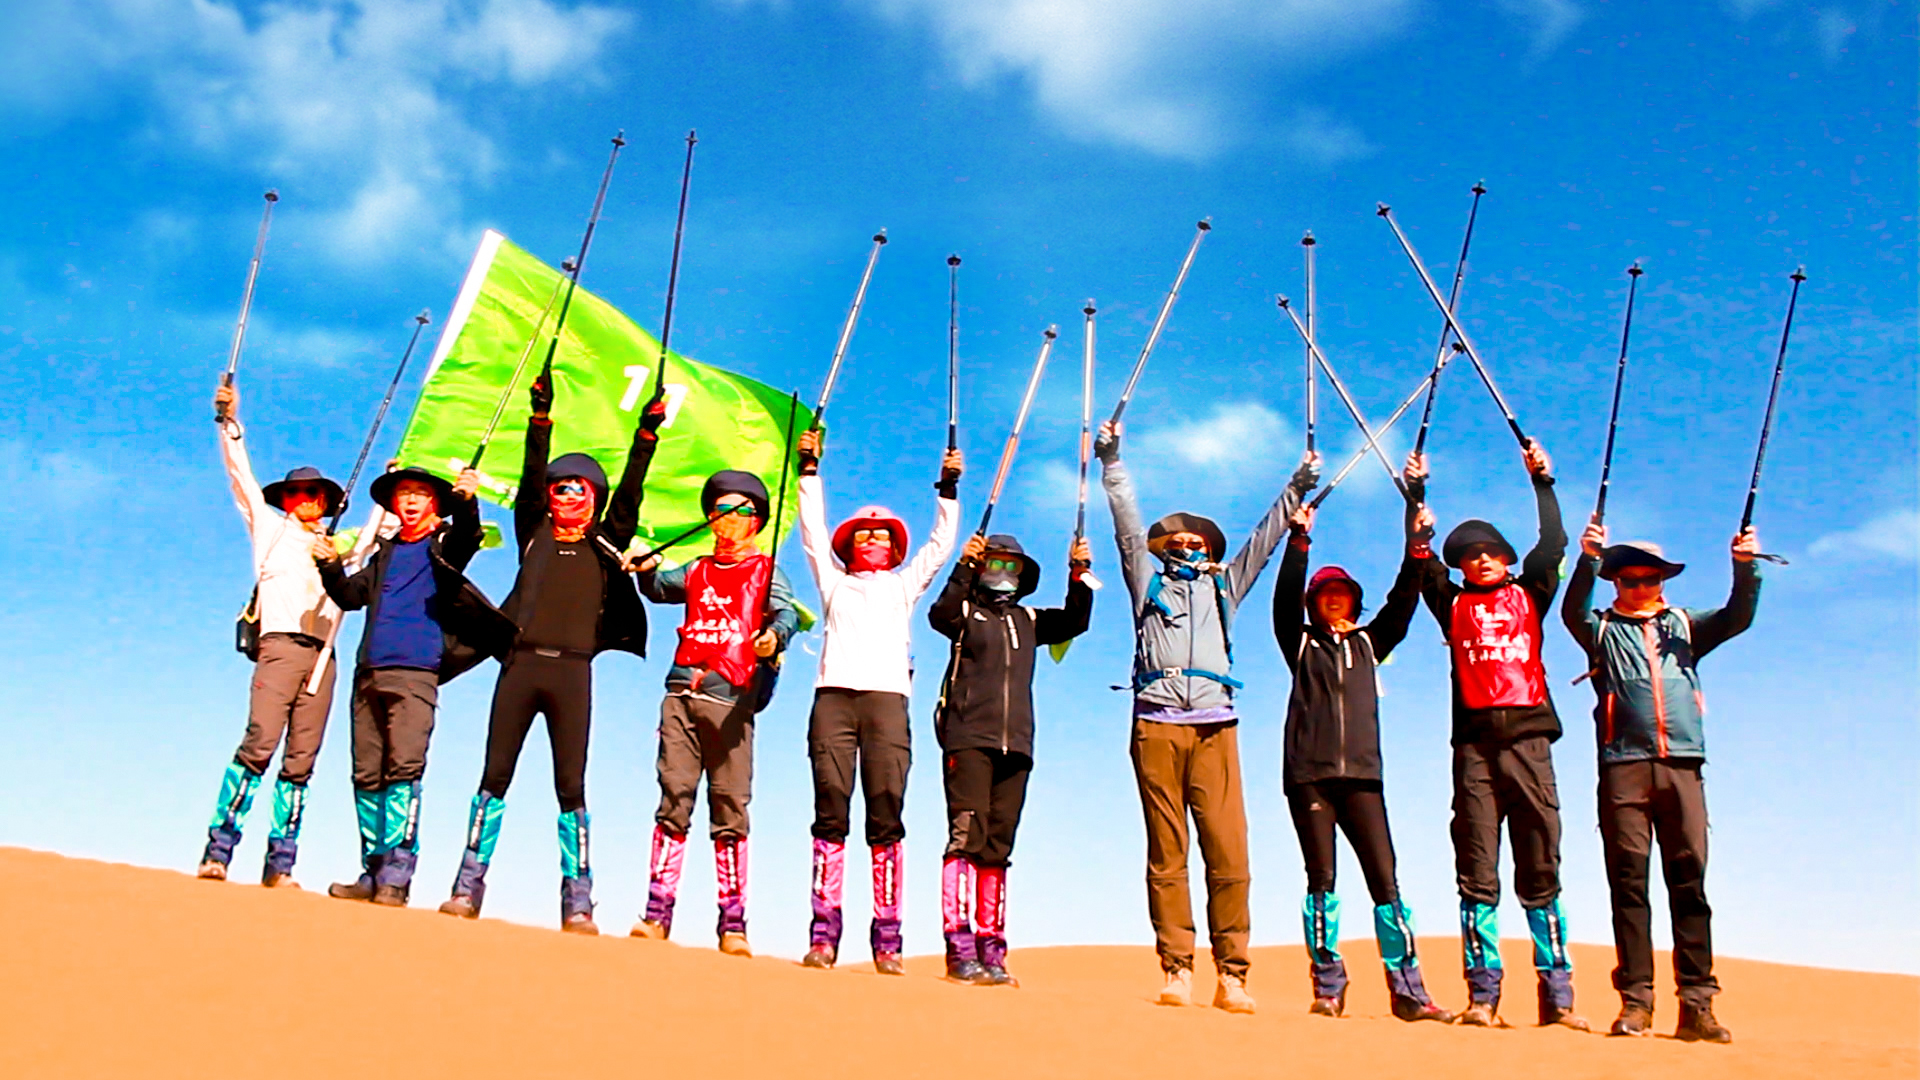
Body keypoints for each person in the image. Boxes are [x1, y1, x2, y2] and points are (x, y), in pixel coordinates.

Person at [1098, 418, 1320, 1014]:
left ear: (1212, 553)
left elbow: (1264, 540)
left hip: (1217, 727)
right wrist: (1112, 462)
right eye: (1177, 542)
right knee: (1166, 852)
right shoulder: (1146, 585)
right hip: (1156, 724)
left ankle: (1233, 974)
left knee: (1228, 852)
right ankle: (1177, 968)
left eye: (1197, 543)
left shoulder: (1225, 589)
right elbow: (1126, 529)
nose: (1187, 547)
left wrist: (1299, 484)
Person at [436, 373, 663, 932]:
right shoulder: (533, 531)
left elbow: (631, 492)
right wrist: (540, 416)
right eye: (560, 489)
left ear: (594, 500)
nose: (567, 495)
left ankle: (578, 902)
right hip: (519, 667)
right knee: (494, 776)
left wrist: (647, 435)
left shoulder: (608, 543)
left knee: (571, 786)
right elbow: (530, 476)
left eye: (579, 489)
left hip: (573, 675)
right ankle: (466, 888)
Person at [1405, 442, 1588, 1030]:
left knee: (1541, 870)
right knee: (1477, 873)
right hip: (1474, 752)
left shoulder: (1531, 593)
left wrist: (1543, 482)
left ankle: (1558, 999)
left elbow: (1554, 543)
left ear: (1507, 560)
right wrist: (1416, 495)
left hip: (1530, 745)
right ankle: (1483, 997)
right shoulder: (1451, 602)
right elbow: (1420, 557)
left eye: (1490, 553)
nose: (1481, 560)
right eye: (1470, 556)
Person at [1562, 519, 1762, 1043]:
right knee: (1629, 886)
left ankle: (1697, 1005)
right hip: (1622, 767)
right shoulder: (1600, 629)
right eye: (1630, 580)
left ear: (1663, 581)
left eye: (1650, 578)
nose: (1641, 587)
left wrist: (1745, 566)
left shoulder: (1684, 626)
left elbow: (1739, 616)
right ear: (1615, 582)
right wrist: (1587, 558)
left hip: (1683, 766)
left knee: (1689, 883)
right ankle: (1636, 1003)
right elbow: (1571, 611)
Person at [1271, 501, 1453, 1023]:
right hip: (1309, 778)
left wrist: (1417, 546)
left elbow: (1404, 598)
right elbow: (1283, 599)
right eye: (1325, 593)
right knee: (1321, 883)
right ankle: (1328, 986)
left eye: (1343, 592)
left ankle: (1408, 991)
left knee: (1386, 885)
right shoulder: (1299, 641)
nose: (1334, 599)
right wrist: (1298, 542)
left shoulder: (1373, 642)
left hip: (1364, 781)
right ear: (1314, 603)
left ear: (1353, 599)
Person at [792, 427, 962, 973]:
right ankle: (823, 937)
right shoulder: (833, 583)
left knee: (886, 811)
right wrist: (810, 472)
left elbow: (940, 548)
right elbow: (812, 532)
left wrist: (948, 490)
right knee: (830, 808)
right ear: (849, 546)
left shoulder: (904, 585)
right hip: (834, 699)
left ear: (893, 547)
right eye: (864, 535)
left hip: (888, 701)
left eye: (881, 535)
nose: (872, 541)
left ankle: (887, 941)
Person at [314, 463, 514, 906]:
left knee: (404, 771)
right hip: (368, 673)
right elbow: (349, 596)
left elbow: (468, 535)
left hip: (416, 674)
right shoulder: (384, 554)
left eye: (419, 493)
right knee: (367, 775)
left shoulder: (443, 546)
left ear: (434, 503)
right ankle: (372, 872)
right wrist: (329, 565)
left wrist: (468, 501)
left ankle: (396, 877)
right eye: (403, 492)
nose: (409, 499)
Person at [198, 381, 370, 887]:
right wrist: (230, 424)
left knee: (301, 762)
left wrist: (396, 479)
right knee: (260, 744)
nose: (305, 500)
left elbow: (380, 535)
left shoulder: (341, 545)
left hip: (324, 658)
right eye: (296, 493)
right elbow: (241, 478)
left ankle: (280, 865)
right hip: (280, 648)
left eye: (314, 494)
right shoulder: (271, 531)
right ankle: (218, 851)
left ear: (327, 501)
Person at [628, 469, 800, 957]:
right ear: (709, 518)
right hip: (682, 694)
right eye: (722, 509)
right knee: (674, 797)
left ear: (757, 521)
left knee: (730, 809)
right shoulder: (698, 569)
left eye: (743, 511)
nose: (731, 518)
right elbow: (659, 588)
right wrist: (645, 567)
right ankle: (656, 914)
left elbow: (786, 613)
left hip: (732, 702)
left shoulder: (767, 570)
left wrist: (774, 637)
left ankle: (733, 924)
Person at [927, 532, 1093, 986]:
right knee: (966, 838)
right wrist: (963, 565)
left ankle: (992, 952)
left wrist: (1079, 572)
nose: (1002, 573)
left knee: (998, 847)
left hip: (1017, 746)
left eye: (1012, 566)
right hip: (968, 740)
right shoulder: (965, 612)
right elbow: (939, 614)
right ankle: (959, 951)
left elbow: (1076, 620)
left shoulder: (1030, 619)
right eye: (994, 564)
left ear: (1022, 576)